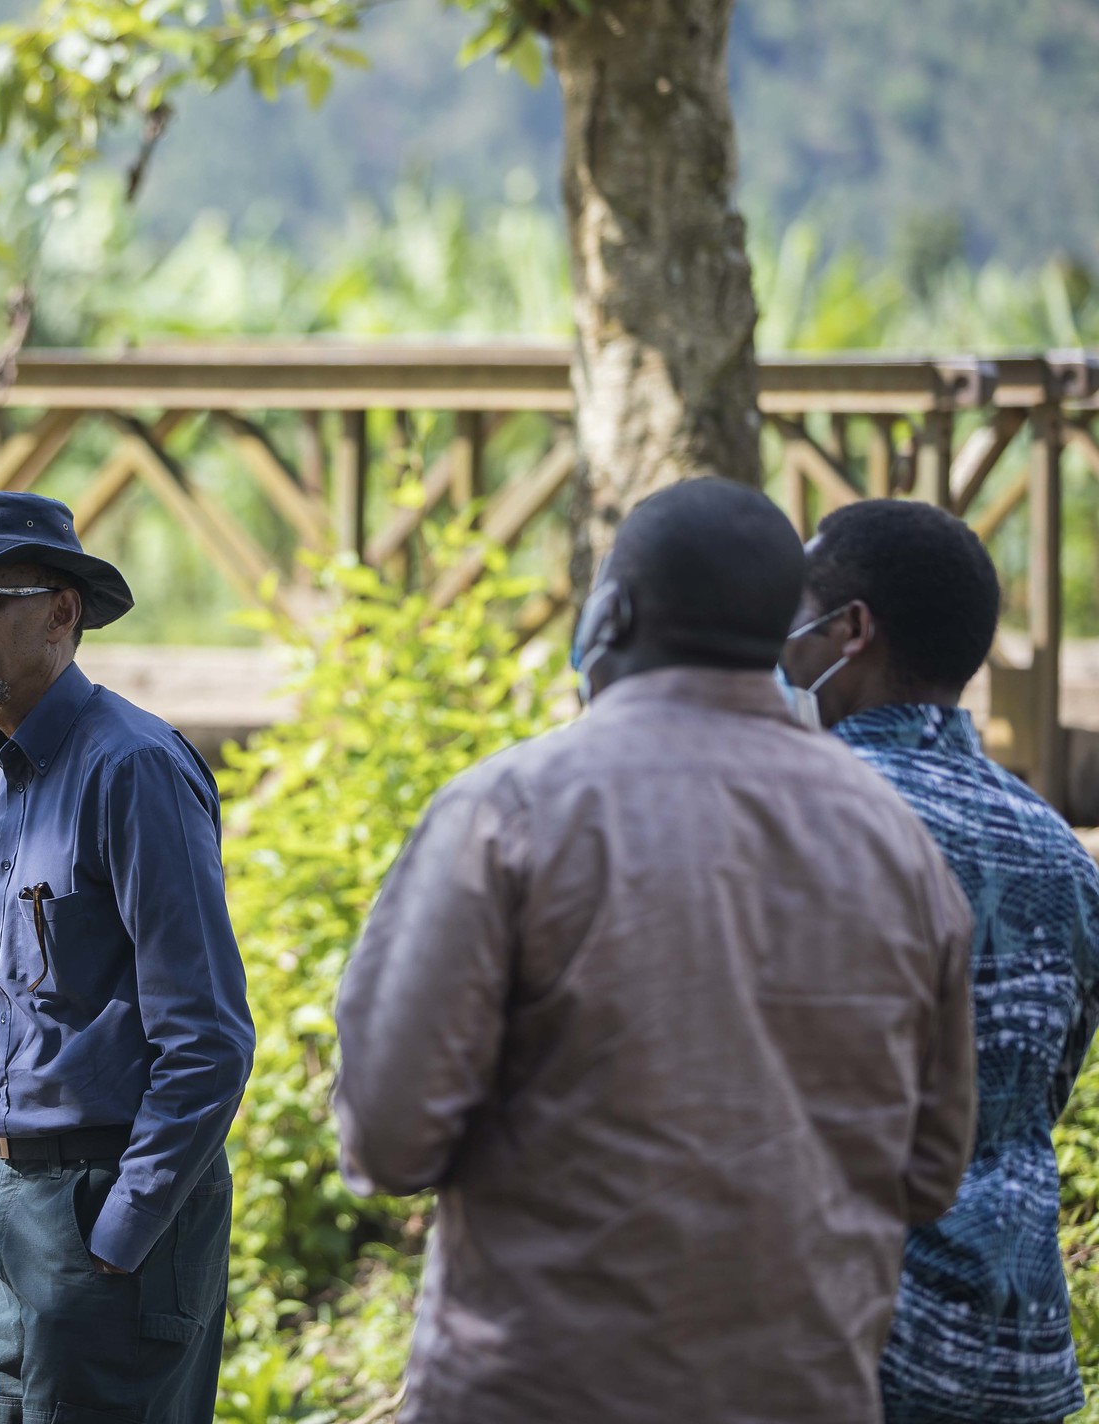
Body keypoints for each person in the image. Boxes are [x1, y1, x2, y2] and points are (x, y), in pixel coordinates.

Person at [334, 478, 979, 1424]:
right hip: (803, 1392)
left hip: (542, 1392)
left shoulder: (509, 812)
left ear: (615, 610)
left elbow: (391, 1136)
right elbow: (931, 1173)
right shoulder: (896, 843)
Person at [0, 492, 253, 1424]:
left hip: (112, 1214)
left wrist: (113, 1245)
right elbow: (25, 1048)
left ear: (62, 612)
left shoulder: (131, 769)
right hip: (28, 1212)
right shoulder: (5, 786)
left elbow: (209, 1043)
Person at [782, 498, 1099, 1424]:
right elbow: (1049, 1082)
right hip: (1016, 1344)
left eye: (794, 612)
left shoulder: (799, 813)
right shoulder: (1052, 847)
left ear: (851, 629)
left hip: (851, 1339)